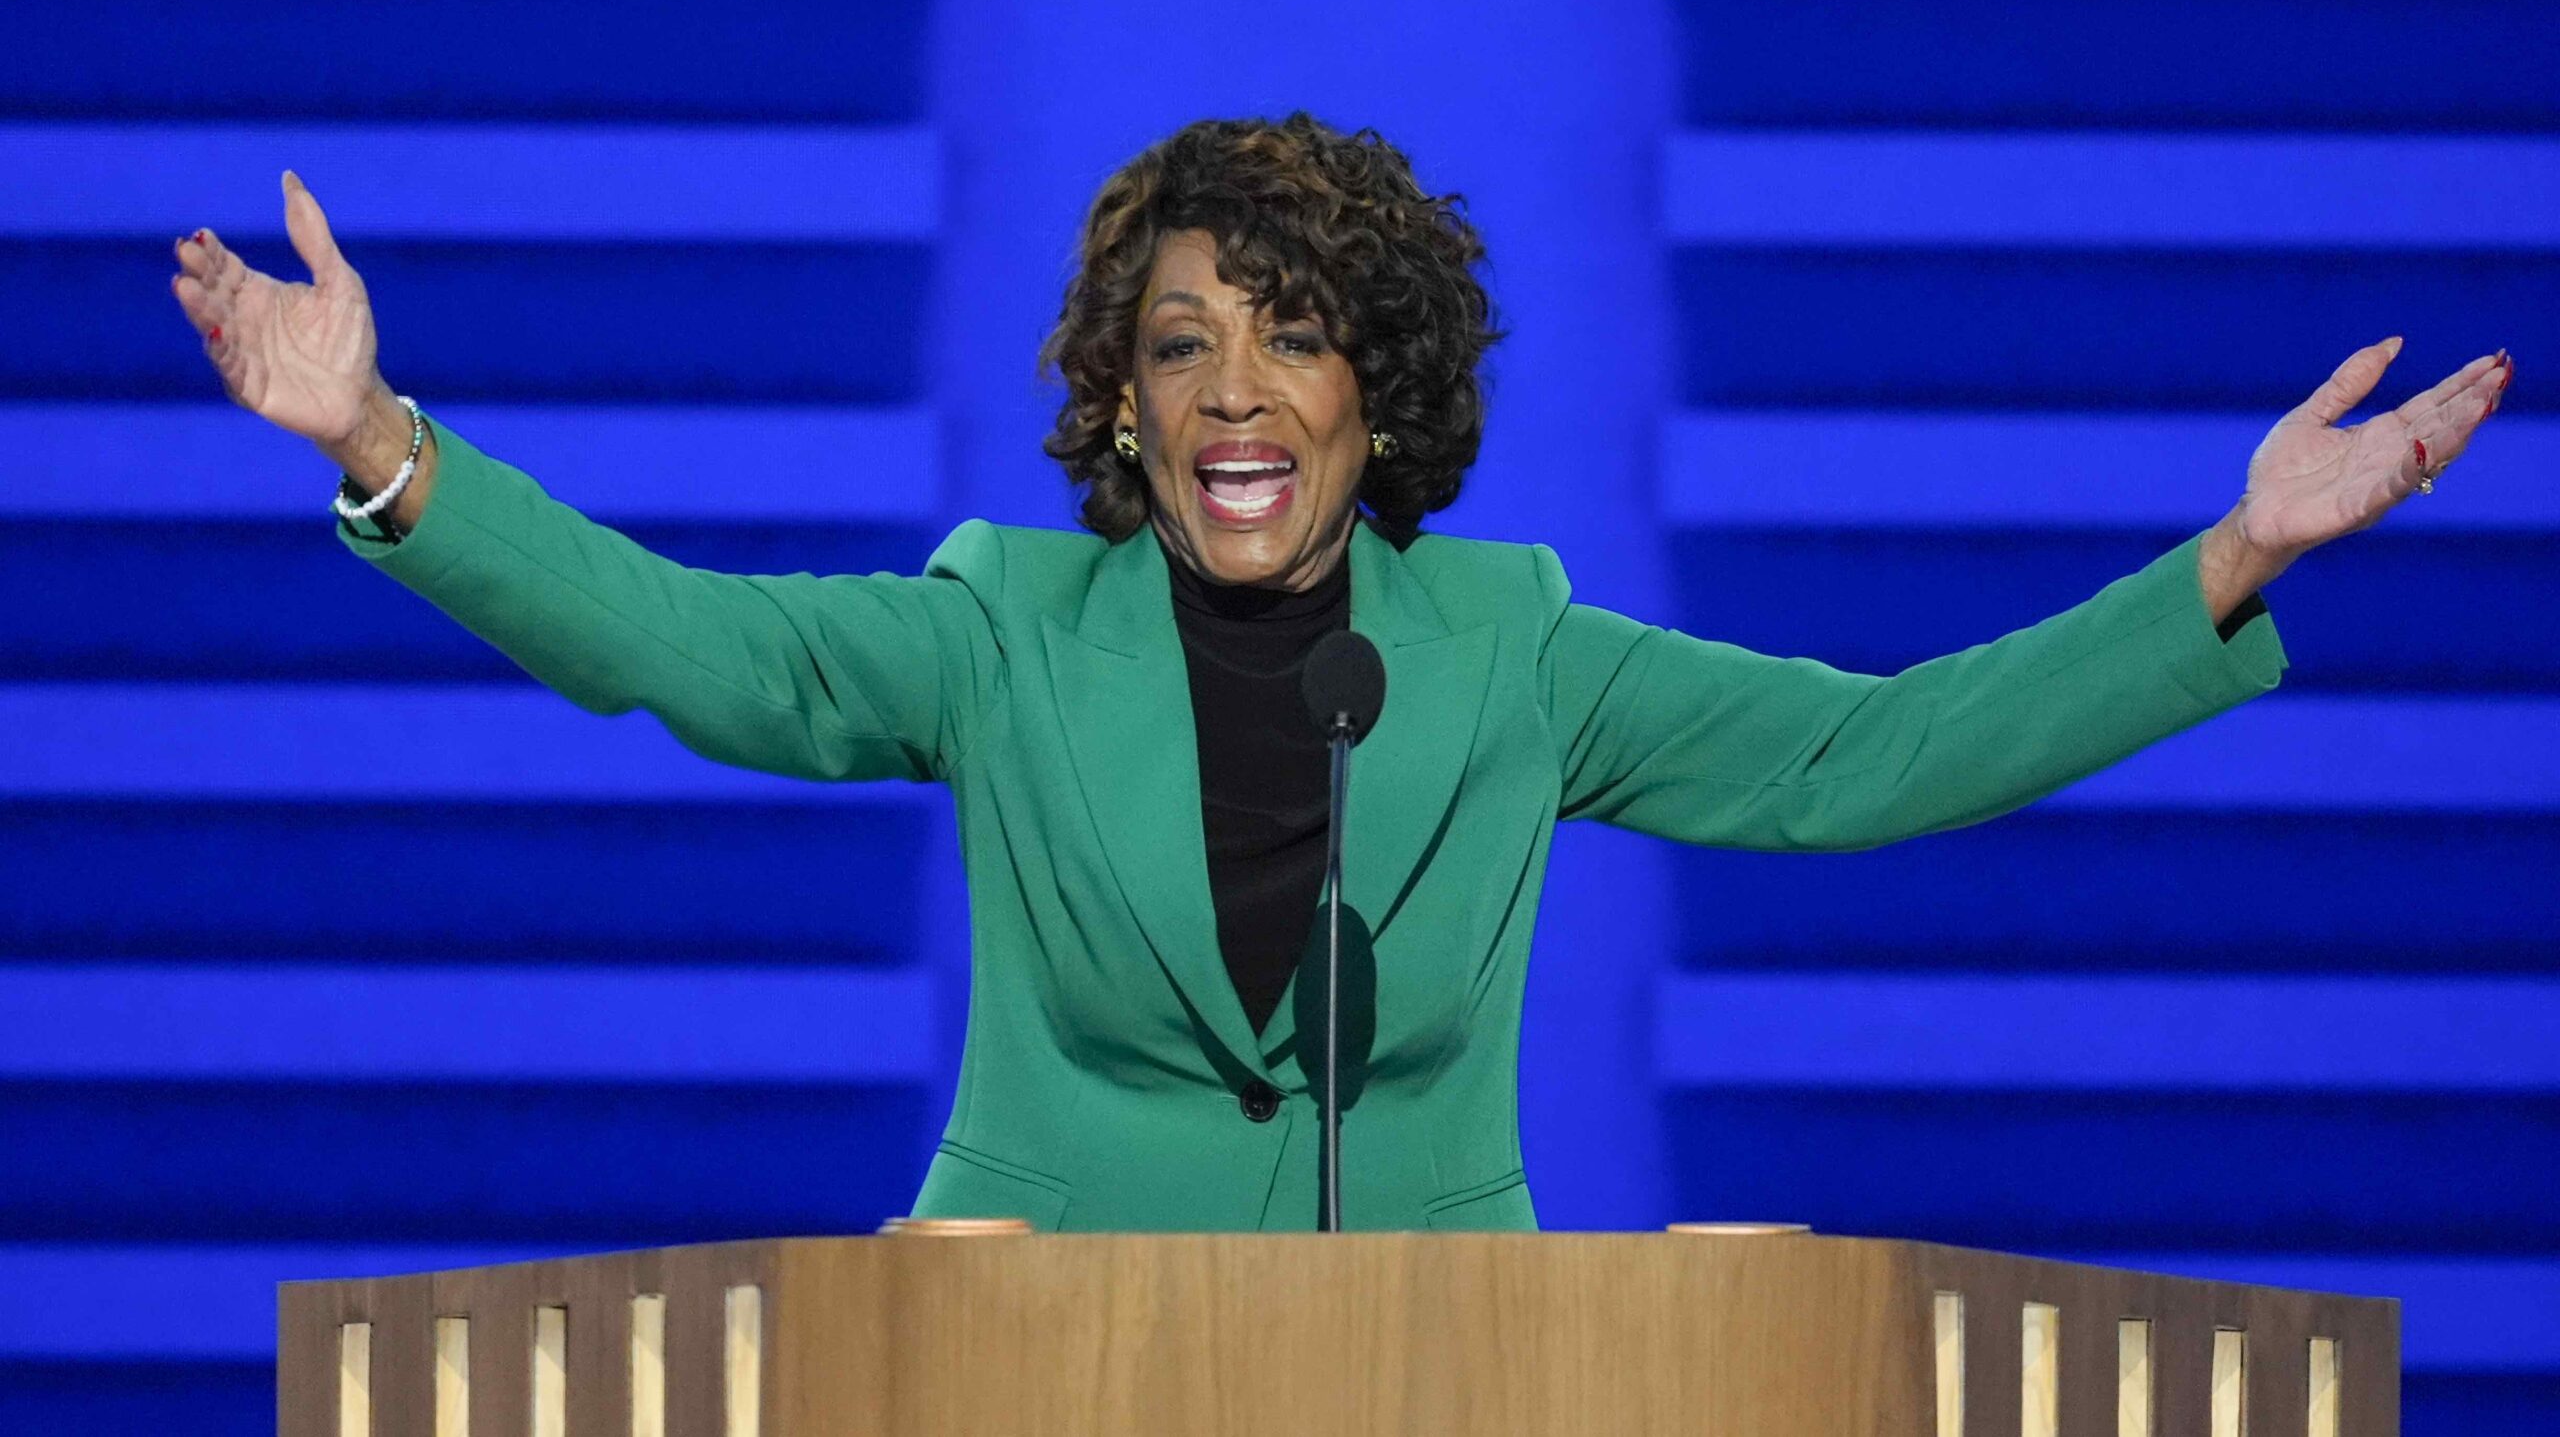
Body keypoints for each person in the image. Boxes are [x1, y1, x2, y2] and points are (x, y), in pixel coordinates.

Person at [168, 111, 2512, 1231]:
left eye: (1292, 337)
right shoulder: (1000, 627)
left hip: (1437, 1365)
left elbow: (1857, 757)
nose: (1231, 387)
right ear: (1114, 402)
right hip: (1023, 1367)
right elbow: (694, 650)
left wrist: (2223, 556)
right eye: (1176, 343)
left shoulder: (1506, 650)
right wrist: (383, 444)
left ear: (1375, 397)